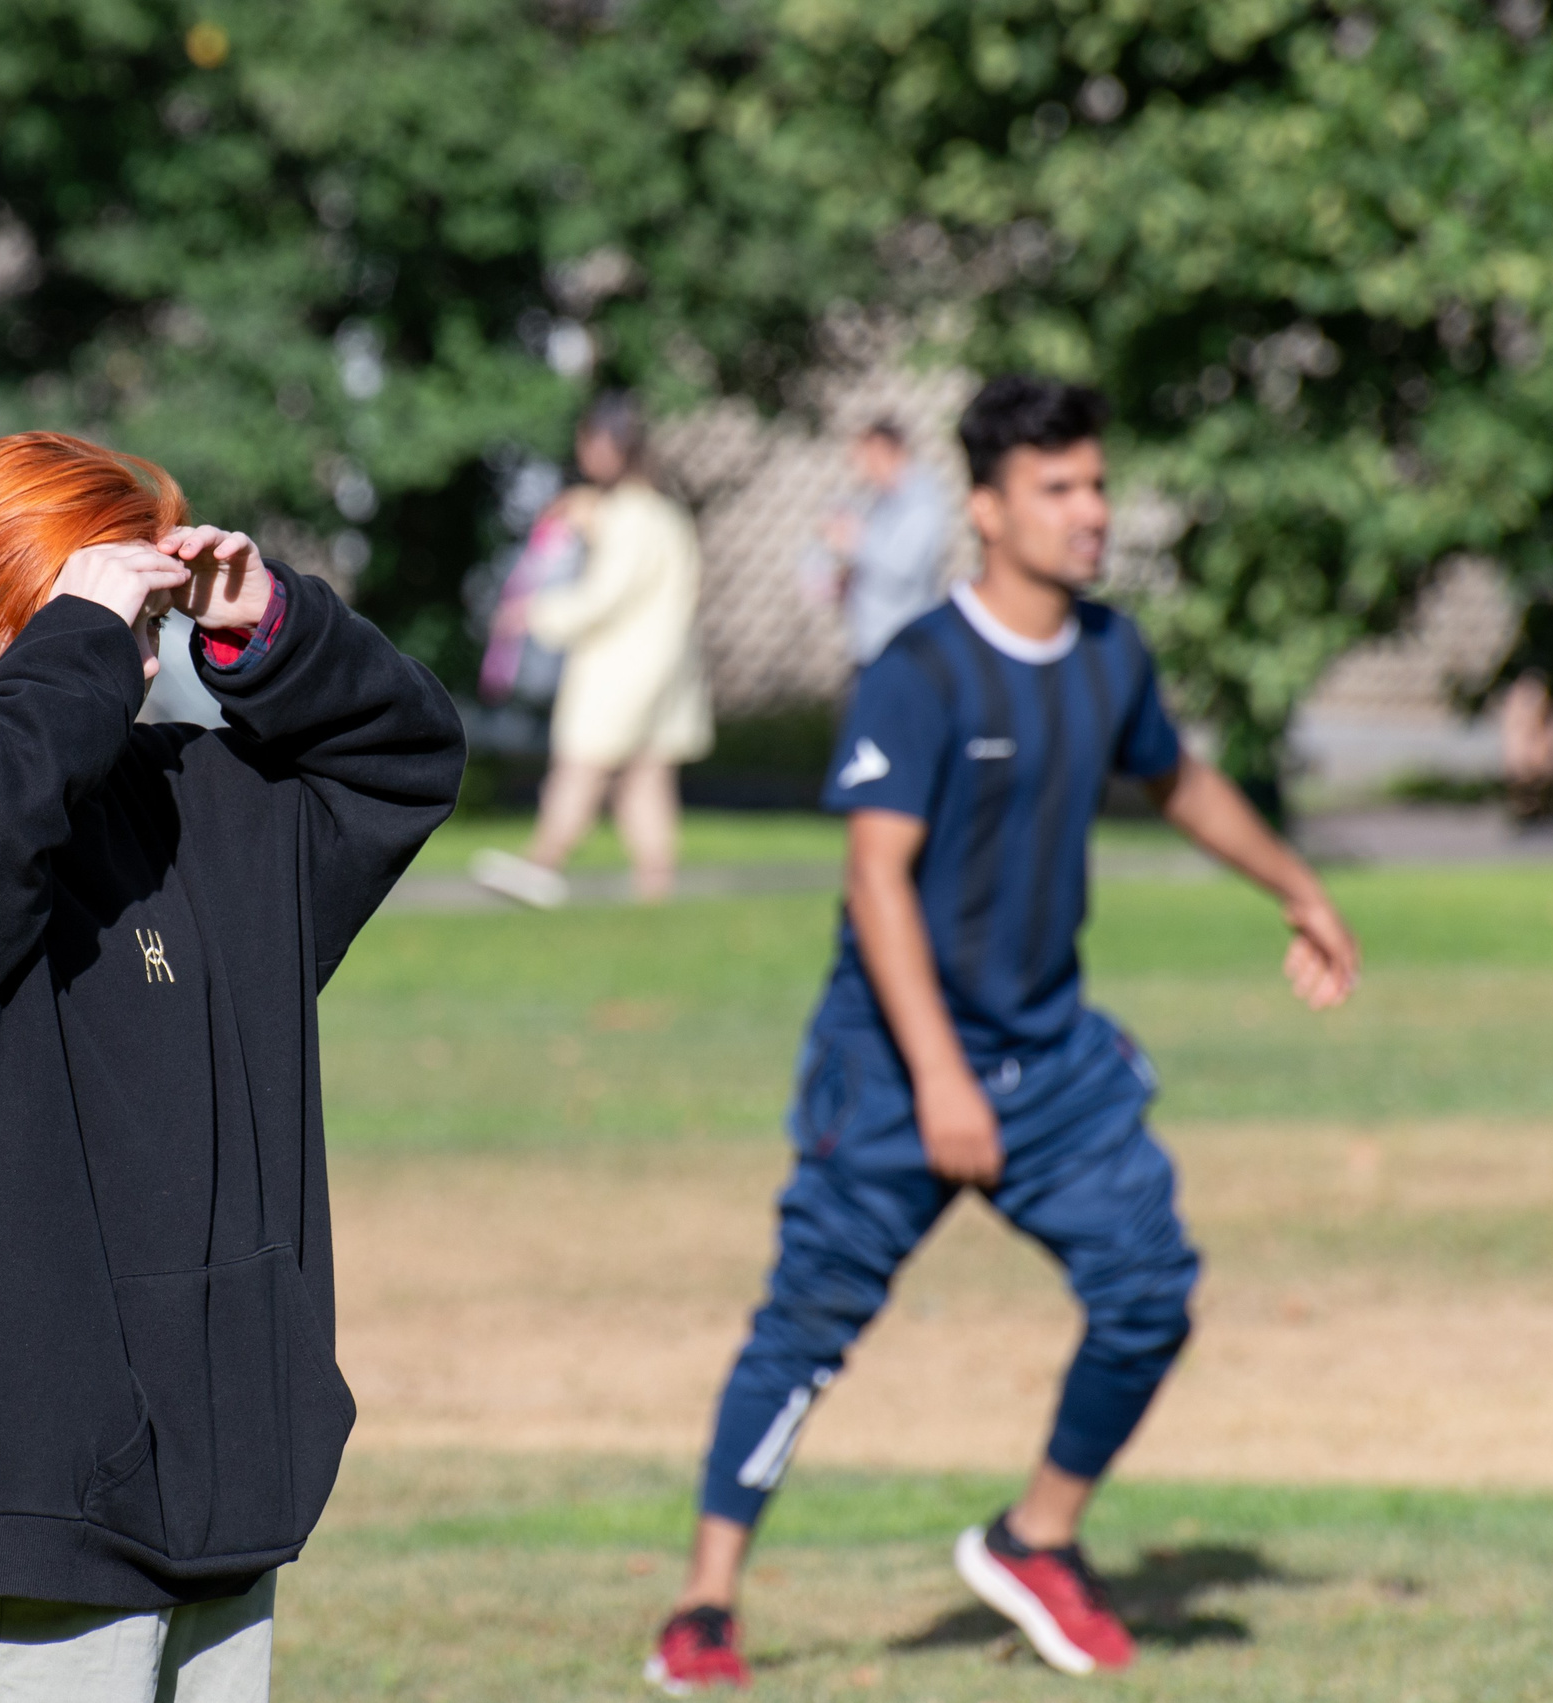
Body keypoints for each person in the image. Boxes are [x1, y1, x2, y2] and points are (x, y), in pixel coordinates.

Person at [646, 377, 1361, 1689]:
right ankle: (704, 1605)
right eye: (1059, 488)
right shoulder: (919, 672)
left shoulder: (1109, 654)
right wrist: (936, 1077)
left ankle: (1038, 1537)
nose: (1092, 511)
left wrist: (1298, 888)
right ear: (986, 508)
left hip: (1053, 1064)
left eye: (1096, 483)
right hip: (893, 1064)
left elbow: (1182, 780)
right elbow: (874, 883)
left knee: (1149, 1292)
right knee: (806, 1323)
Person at [0, 432, 463, 1703]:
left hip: (222, 1451)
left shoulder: (199, 801)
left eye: (149, 616)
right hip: (28, 1476)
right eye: (110, 615)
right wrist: (78, 632)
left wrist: (268, 622)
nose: (139, 652)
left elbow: (401, 756)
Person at [471, 392, 712, 908]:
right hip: (666, 667)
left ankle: (542, 862)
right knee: (646, 774)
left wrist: (534, 613)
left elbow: (603, 597)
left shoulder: (631, 516)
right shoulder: (663, 513)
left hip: (623, 666)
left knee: (582, 763)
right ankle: (655, 887)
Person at [805, 417, 954, 668]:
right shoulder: (880, 502)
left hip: (904, 646)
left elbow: (904, 568)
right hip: (873, 645)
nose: (859, 469)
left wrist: (855, 539)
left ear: (883, 452)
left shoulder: (921, 503)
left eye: (864, 459)